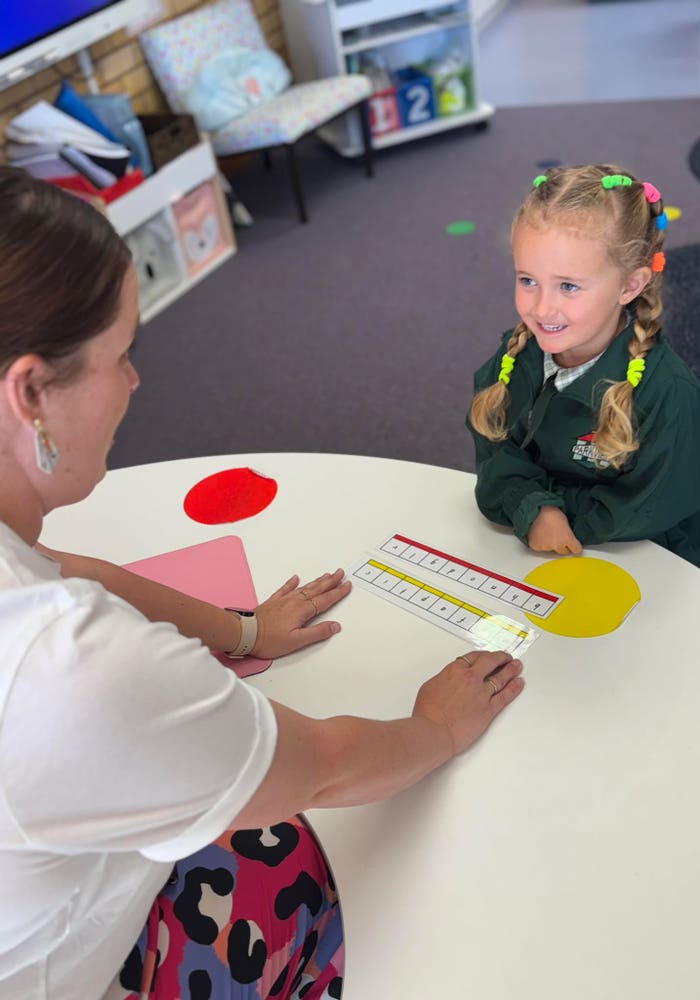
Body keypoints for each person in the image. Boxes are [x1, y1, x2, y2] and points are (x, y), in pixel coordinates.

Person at [0, 166, 524, 1000]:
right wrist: (437, 728)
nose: (135, 382)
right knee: (311, 866)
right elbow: (323, 769)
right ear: (30, 392)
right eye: (120, 355)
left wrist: (244, 631)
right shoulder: (66, 670)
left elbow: (70, 569)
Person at [467, 163, 700, 570]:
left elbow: (647, 507)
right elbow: (495, 450)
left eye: (569, 286)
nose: (542, 308)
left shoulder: (669, 395)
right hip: (543, 549)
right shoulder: (515, 357)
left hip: (643, 561)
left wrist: (553, 513)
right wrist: (530, 506)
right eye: (528, 280)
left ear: (630, 286)